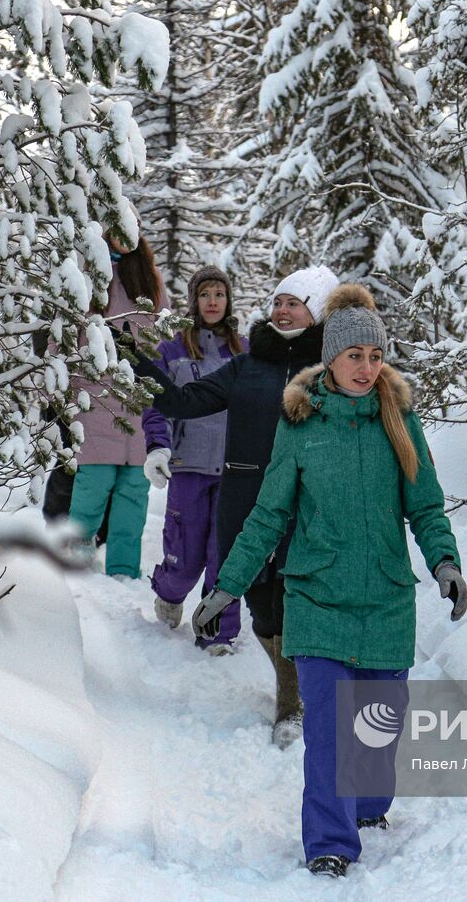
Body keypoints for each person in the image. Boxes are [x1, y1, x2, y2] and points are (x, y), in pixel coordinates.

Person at [190, 284, 467, 878]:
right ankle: (328, 844)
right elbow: (268, 515)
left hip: (386, 599)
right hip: (316, 597)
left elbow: (425, 507)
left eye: (375, 356)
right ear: (332, 358)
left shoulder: (400, 421)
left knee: (375, 737)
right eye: (355, 357)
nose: (367, 368)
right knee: (328, 732)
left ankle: (366, 808)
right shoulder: (301, 422)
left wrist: (445, 563)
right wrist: (226, 586)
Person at [133, 265, 341, 743]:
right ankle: (291, 680)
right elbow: (184, 401)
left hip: (304, 506)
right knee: (259, 603)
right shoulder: (247, 366)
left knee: (292, 599)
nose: (282, 310)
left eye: (294, 302)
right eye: (278, 302)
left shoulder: (330, 373)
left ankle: (292, 704)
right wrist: (137, 367)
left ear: (317, 311)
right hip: (244, 501)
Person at [142, 267, 247, 654]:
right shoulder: (172, 350)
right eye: (206, 294)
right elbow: (156, 403)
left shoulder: (245, 351)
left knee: (226, 555)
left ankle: (217, 632)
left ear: (229, 300)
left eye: (220, 294)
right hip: (188, 467)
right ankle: (169, 595)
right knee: (184, 558)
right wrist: (158, 446)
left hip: (235, 471)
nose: (213, 301)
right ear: (194, 301)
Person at [68, 234, 171, 578]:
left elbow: (166, 343)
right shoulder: (86, 276)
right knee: (91, 491)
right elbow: (62, 341)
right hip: (95, 403)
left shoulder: (150, 282)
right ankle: (77, 569)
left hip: (140, 409)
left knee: (133, 497)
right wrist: (64, 397)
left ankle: (124, 573)